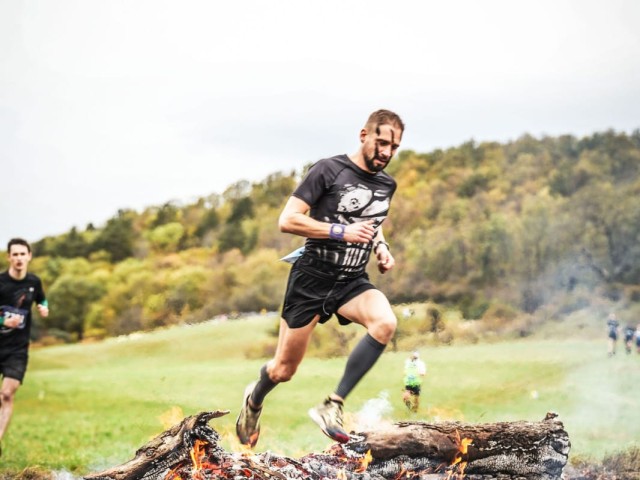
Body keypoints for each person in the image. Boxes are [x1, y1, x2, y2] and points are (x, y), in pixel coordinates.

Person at [235, 109, 404, 447]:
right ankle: (254, 399)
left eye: (394, 147)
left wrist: (381, 248)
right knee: (283, 370)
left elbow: (373, 220)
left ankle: (332, 405)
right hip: (312, 279)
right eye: (381, 142)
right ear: (364, 135)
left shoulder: (387, 184)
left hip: (351, 281)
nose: (386, 152)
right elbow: (288, 219)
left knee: (385, 323)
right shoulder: (329, 169)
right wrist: (341, 231)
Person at [0, 238, 49, 456]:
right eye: (15, 254)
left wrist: (43, 306)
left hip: (18, 350)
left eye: (23, 254)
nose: (19, 258)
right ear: (9, 257)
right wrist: (2, 321)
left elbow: (42, 299)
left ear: (29, 256)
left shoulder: (34, 282)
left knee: (7, 395)